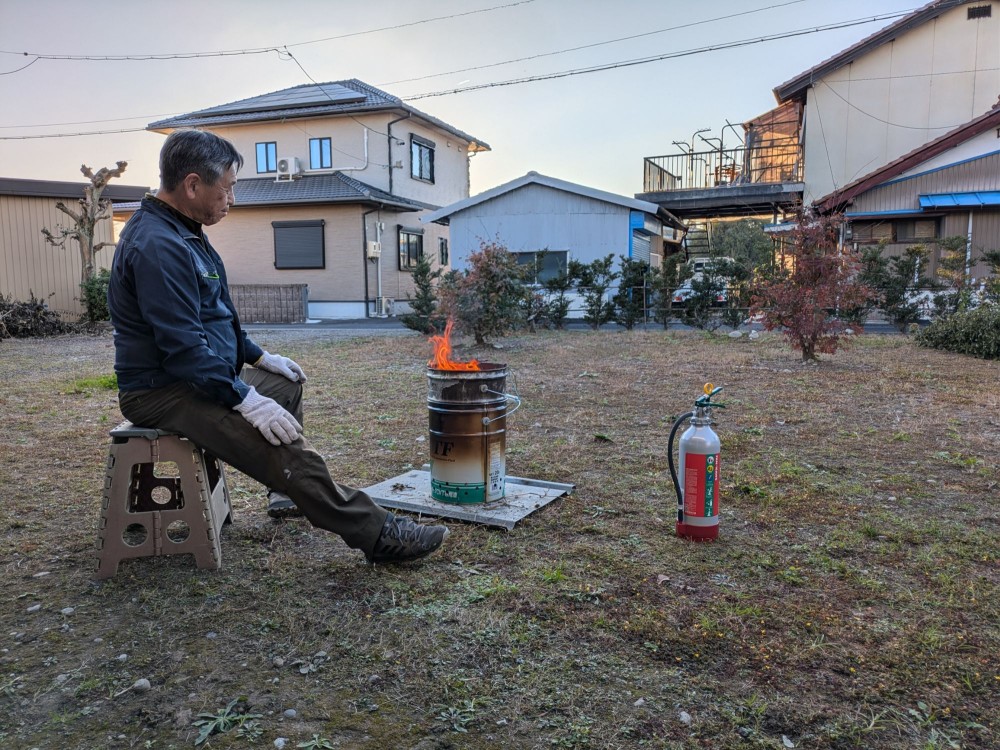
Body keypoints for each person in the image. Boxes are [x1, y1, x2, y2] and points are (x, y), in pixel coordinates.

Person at [107, 129, 447, 564]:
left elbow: (214, 319)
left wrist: (258, 358)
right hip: (161, 391)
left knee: (282, 387)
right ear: (192, 185)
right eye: (226, 189)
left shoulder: (184, 230)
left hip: (190, 378)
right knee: (279, 446)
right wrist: (243, 399)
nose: (231, 199)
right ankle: (377, 534)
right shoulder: (158, 245)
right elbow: (184, 350)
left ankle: (285, 494)